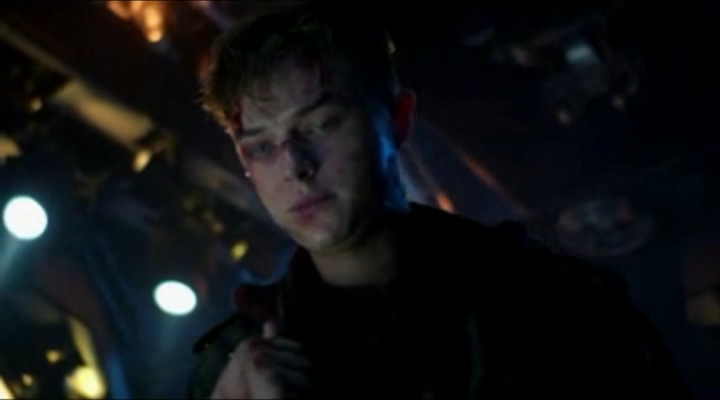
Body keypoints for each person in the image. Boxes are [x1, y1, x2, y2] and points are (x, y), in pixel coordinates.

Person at [188, 3, 686, 398]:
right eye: (261, 147)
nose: (295, 165)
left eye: (320, 124)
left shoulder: (560, 306)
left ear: (398, 117)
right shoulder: (235, 368)